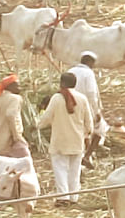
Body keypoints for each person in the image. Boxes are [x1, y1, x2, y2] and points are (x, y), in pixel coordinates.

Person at [39, 72, 93, 206]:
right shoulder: (82, 98)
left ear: (62, 83)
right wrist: (85, 135)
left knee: (60, 169)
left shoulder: (57, 98)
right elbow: (89, 123)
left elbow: (46, 118)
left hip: (60, 141)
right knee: (74, 171)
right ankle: (74, 197)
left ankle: (63, 197)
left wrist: (37, 125)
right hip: (77, 141)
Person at [68, 51, 105, 168]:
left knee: (79, 132)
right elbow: (91, 93)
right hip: (86, 106)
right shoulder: (88, 73)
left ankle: (81, 158)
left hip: (70, 106)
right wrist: (96, 111)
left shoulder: (71, 71)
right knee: (100, 130)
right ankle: (86, 156)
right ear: (90, 62)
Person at [0, 74, 30, 157]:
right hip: (9, 142)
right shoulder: (15, 98)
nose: (19, 88)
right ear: (10, 87)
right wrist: (16, 137)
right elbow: (10, 115)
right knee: (25, 164)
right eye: (17, 86)